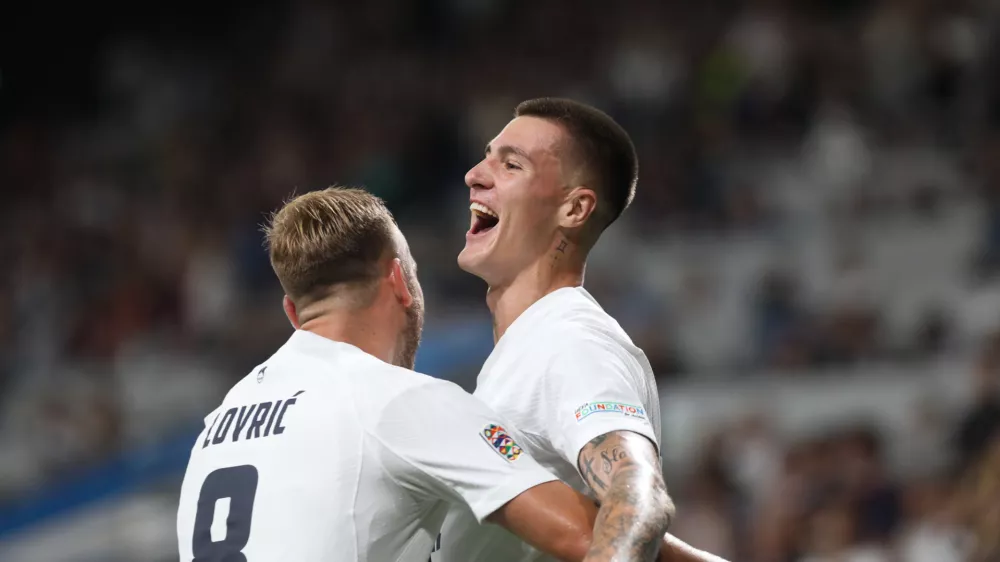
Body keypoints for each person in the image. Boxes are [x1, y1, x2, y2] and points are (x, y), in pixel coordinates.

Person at [176, 187, 639, 562]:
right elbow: (587, 537)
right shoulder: (396, 400)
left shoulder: (217, 424)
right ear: (399, 281)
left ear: (293, 313)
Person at [434, 98, 728, 562]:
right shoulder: (527, 349)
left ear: (574, 209)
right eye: (485, 156)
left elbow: (636, 493)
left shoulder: (569, 341)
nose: (475, 174)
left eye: (511, 164)